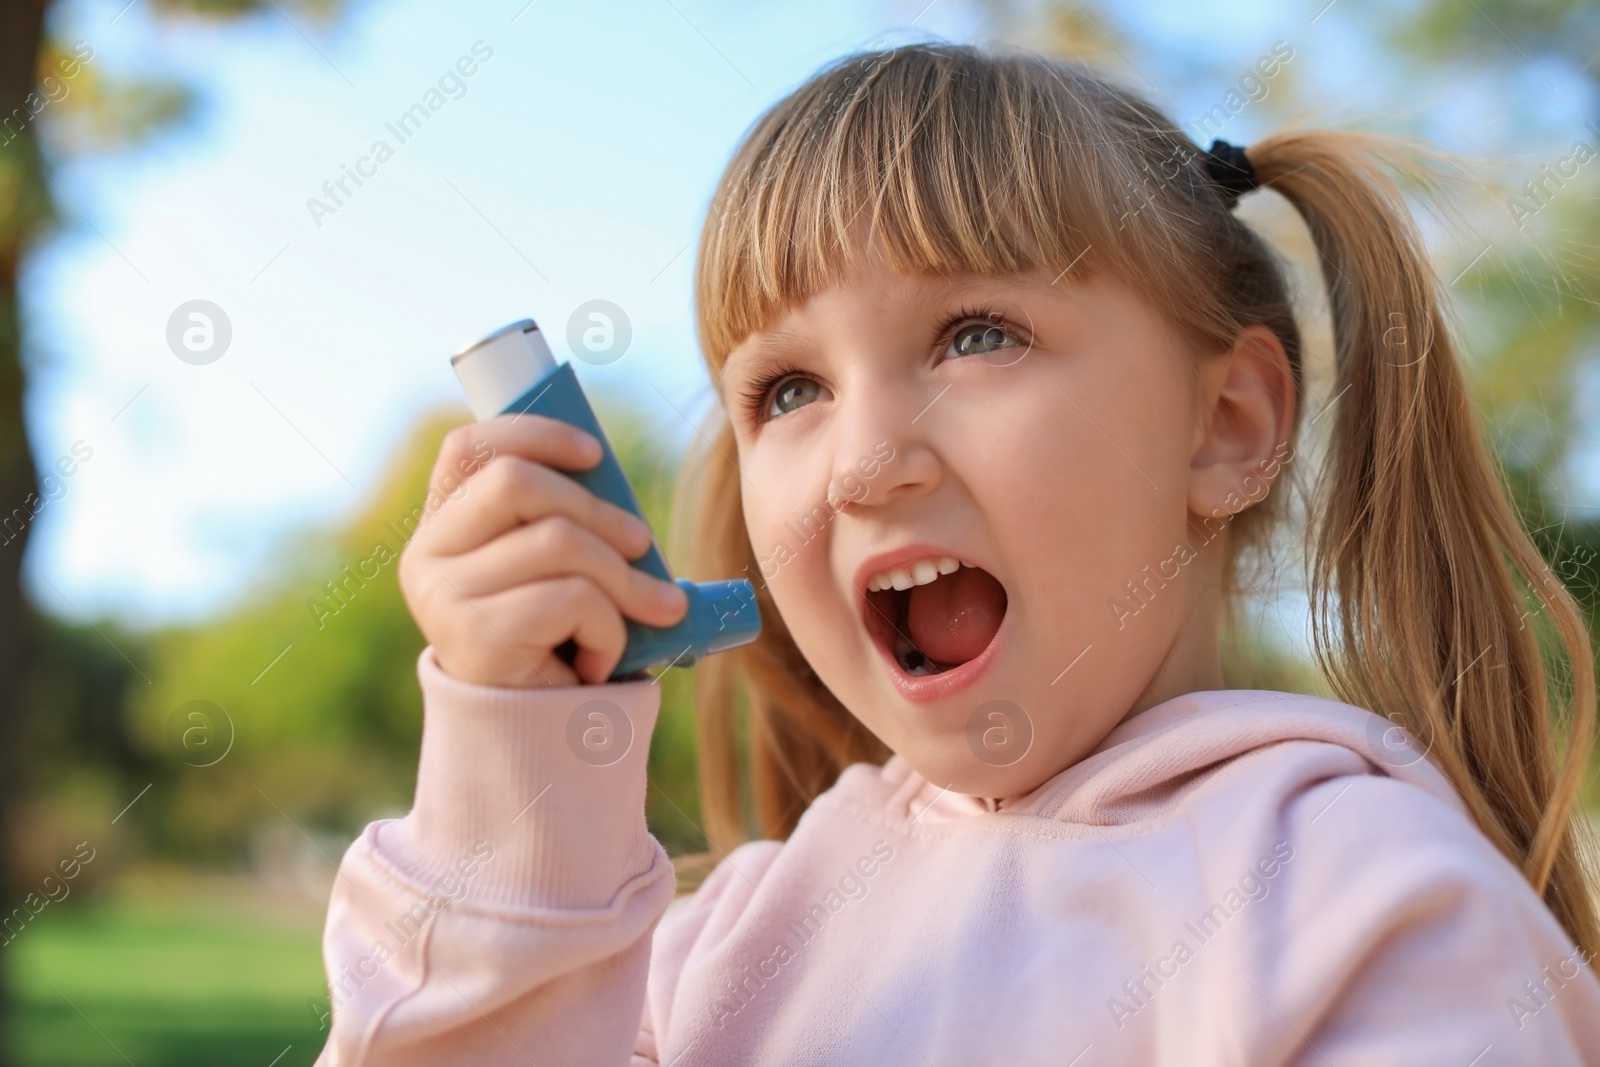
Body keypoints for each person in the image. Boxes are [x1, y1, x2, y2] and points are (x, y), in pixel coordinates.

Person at [313, 42, 1600, 1065]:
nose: (867, 462)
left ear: (1225, 424)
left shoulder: (1368, 911)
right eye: (785, 390)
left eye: (976, 335)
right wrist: (512, 778)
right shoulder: (717, 950)